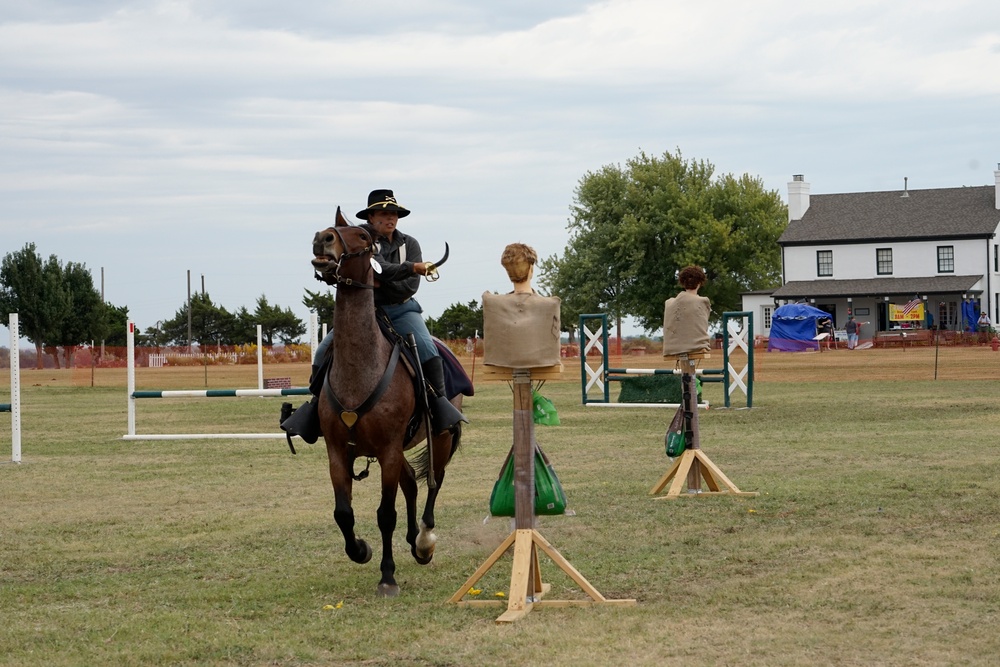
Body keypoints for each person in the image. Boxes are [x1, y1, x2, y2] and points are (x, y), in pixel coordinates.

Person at [280, 189, 466, 444]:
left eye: (394, 214)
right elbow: (378, 268)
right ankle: (314, 408)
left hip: (402, 310)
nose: (391, 219)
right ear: (370, 216)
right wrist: (404, 270)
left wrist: (381, 281)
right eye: (384, 214)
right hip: (364, 312)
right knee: (323, 350)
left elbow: (409, 286)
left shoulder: (409, 244)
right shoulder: (359, 240)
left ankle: (439, 406)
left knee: (427, 349)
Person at [662, 265, 711, 357]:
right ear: (700, 282)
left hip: (670, 349)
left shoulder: (668, 303)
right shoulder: (702, 301)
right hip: (697, 348)